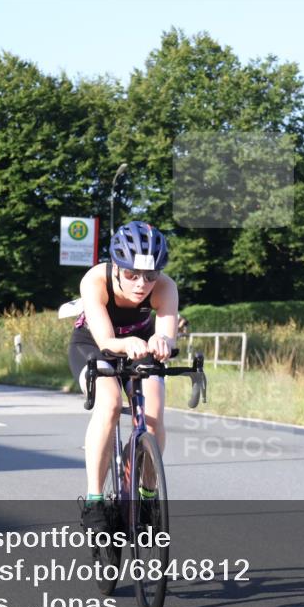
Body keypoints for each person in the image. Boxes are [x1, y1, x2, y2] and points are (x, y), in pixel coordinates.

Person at [67, 221, 178, 534]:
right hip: (93, 344)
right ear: (116, 268)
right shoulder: (95, 280)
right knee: (111, 404)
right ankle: (94, 500)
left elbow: (166, 333)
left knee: (153, 417)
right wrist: (125, 344)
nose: (142, 284)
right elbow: (105, 341)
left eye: (150, 275)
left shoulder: (166, 286)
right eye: (132, 275)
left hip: (139, 345)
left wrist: (163, 342)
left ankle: (146, 495)